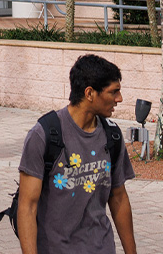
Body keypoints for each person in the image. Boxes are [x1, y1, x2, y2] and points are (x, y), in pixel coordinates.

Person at [15, 54, 137, 254]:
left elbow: (119, 197)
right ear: (90, 93)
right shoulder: (44, 135)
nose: (119, 99)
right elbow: (27, 207)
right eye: (113, 92)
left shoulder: (111, 135)